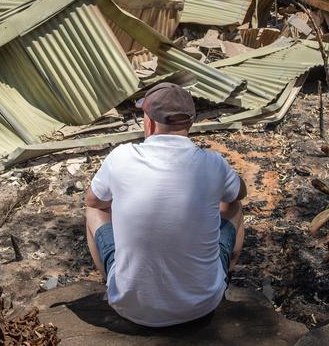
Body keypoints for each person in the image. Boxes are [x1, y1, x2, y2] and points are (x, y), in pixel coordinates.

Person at [85, 82, 247, 327]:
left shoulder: (121, 157)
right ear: (190, 123)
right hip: (202, 306)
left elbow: (93, 200)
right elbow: (239, 193)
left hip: (129, 308)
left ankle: (115, 282)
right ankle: (222, 277)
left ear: (148, 122)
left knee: (94, 210)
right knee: (233, 206)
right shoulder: (213, 163)